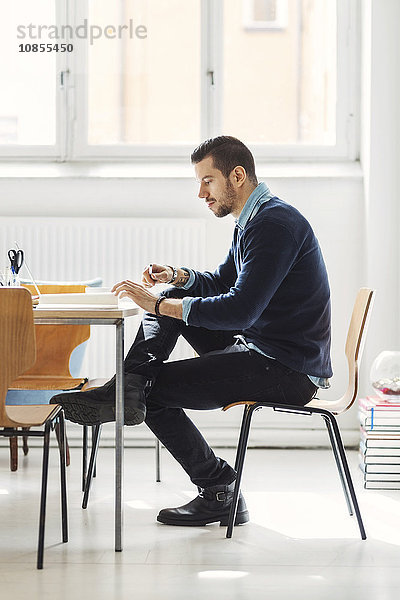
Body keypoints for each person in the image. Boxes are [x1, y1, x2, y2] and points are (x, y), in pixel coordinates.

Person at [51, 136, 332, 527]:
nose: (200, 192)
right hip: (266, 352)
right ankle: (129, 385)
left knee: (153, 390)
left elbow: (239, 309)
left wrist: (157, 306)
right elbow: (223, 281)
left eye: (208, 181)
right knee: (175, 293)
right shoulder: (256, 218)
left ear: (237, 176)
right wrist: (177, 277)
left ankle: (218, 488)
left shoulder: (274, 225)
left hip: (287, 370)